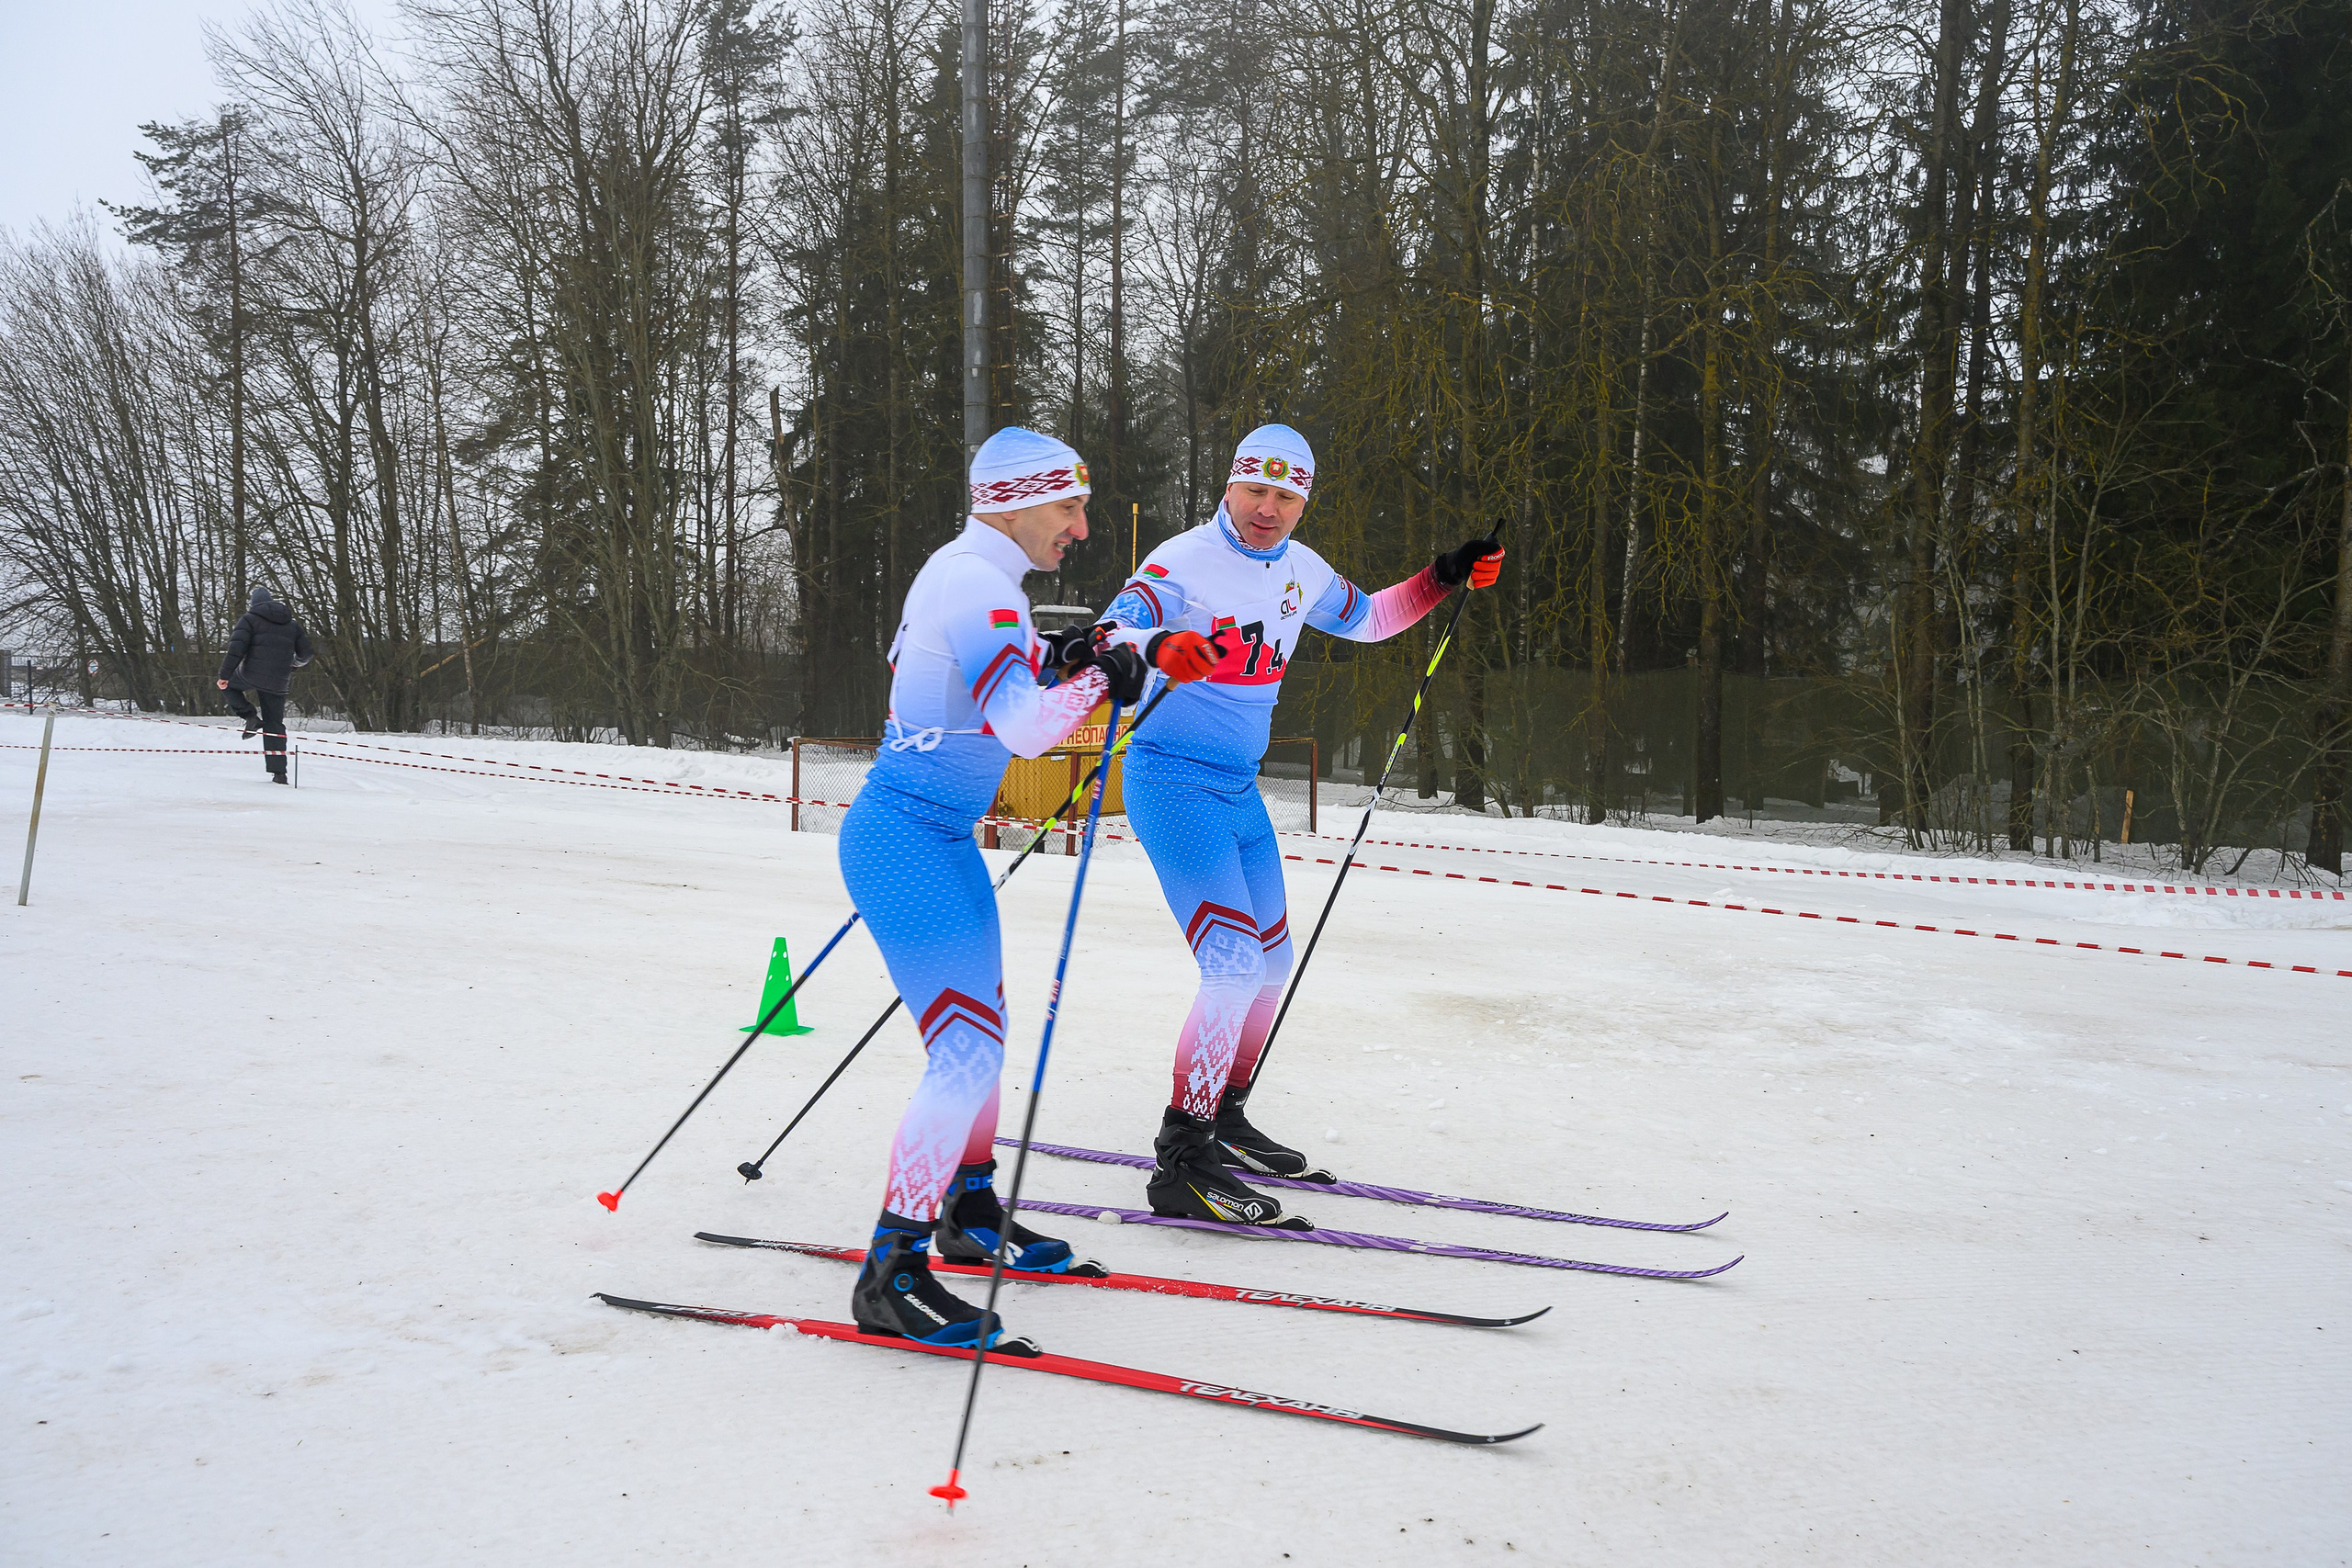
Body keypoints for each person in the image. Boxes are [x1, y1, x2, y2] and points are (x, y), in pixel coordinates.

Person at [839, 426, 1215, 1351]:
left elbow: (1011, 681)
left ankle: (965, 1209)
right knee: (963, 1054)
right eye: (1068, 507)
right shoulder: (976, 587)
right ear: (1010, 504)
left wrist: (1108, 653)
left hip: (933, 839)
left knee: (982, 1036)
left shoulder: (978, 581)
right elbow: (1024, 730)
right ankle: (891, 1271)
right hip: (903, 843)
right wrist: (1095, 675)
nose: (1081, 528)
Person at [1093, 423, 1505, 1228]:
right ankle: (1182, 1156)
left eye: (1286, 496)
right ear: (1229, 484)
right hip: (1170, 780)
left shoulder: (1301, 569)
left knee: (1271, 962)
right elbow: (1110, 635)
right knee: (1232, 962)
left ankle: (1225, 1115)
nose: (1268, 509)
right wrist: (1162, 643)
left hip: (1238, 791)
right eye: (1255, 490)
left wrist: (1442, 575)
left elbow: (1373, 619)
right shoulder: (1179, 562)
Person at [216, 589, 315, 785]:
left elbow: (236, 649)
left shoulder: (249, 619)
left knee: (228, 686)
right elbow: (306, 654)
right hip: (279, 679)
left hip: (251, 674)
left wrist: (224, 675)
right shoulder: (292, 625)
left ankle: (250, 716)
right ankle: (279, 774)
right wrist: (293, 665)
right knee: (275, 725)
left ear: (254, 605)